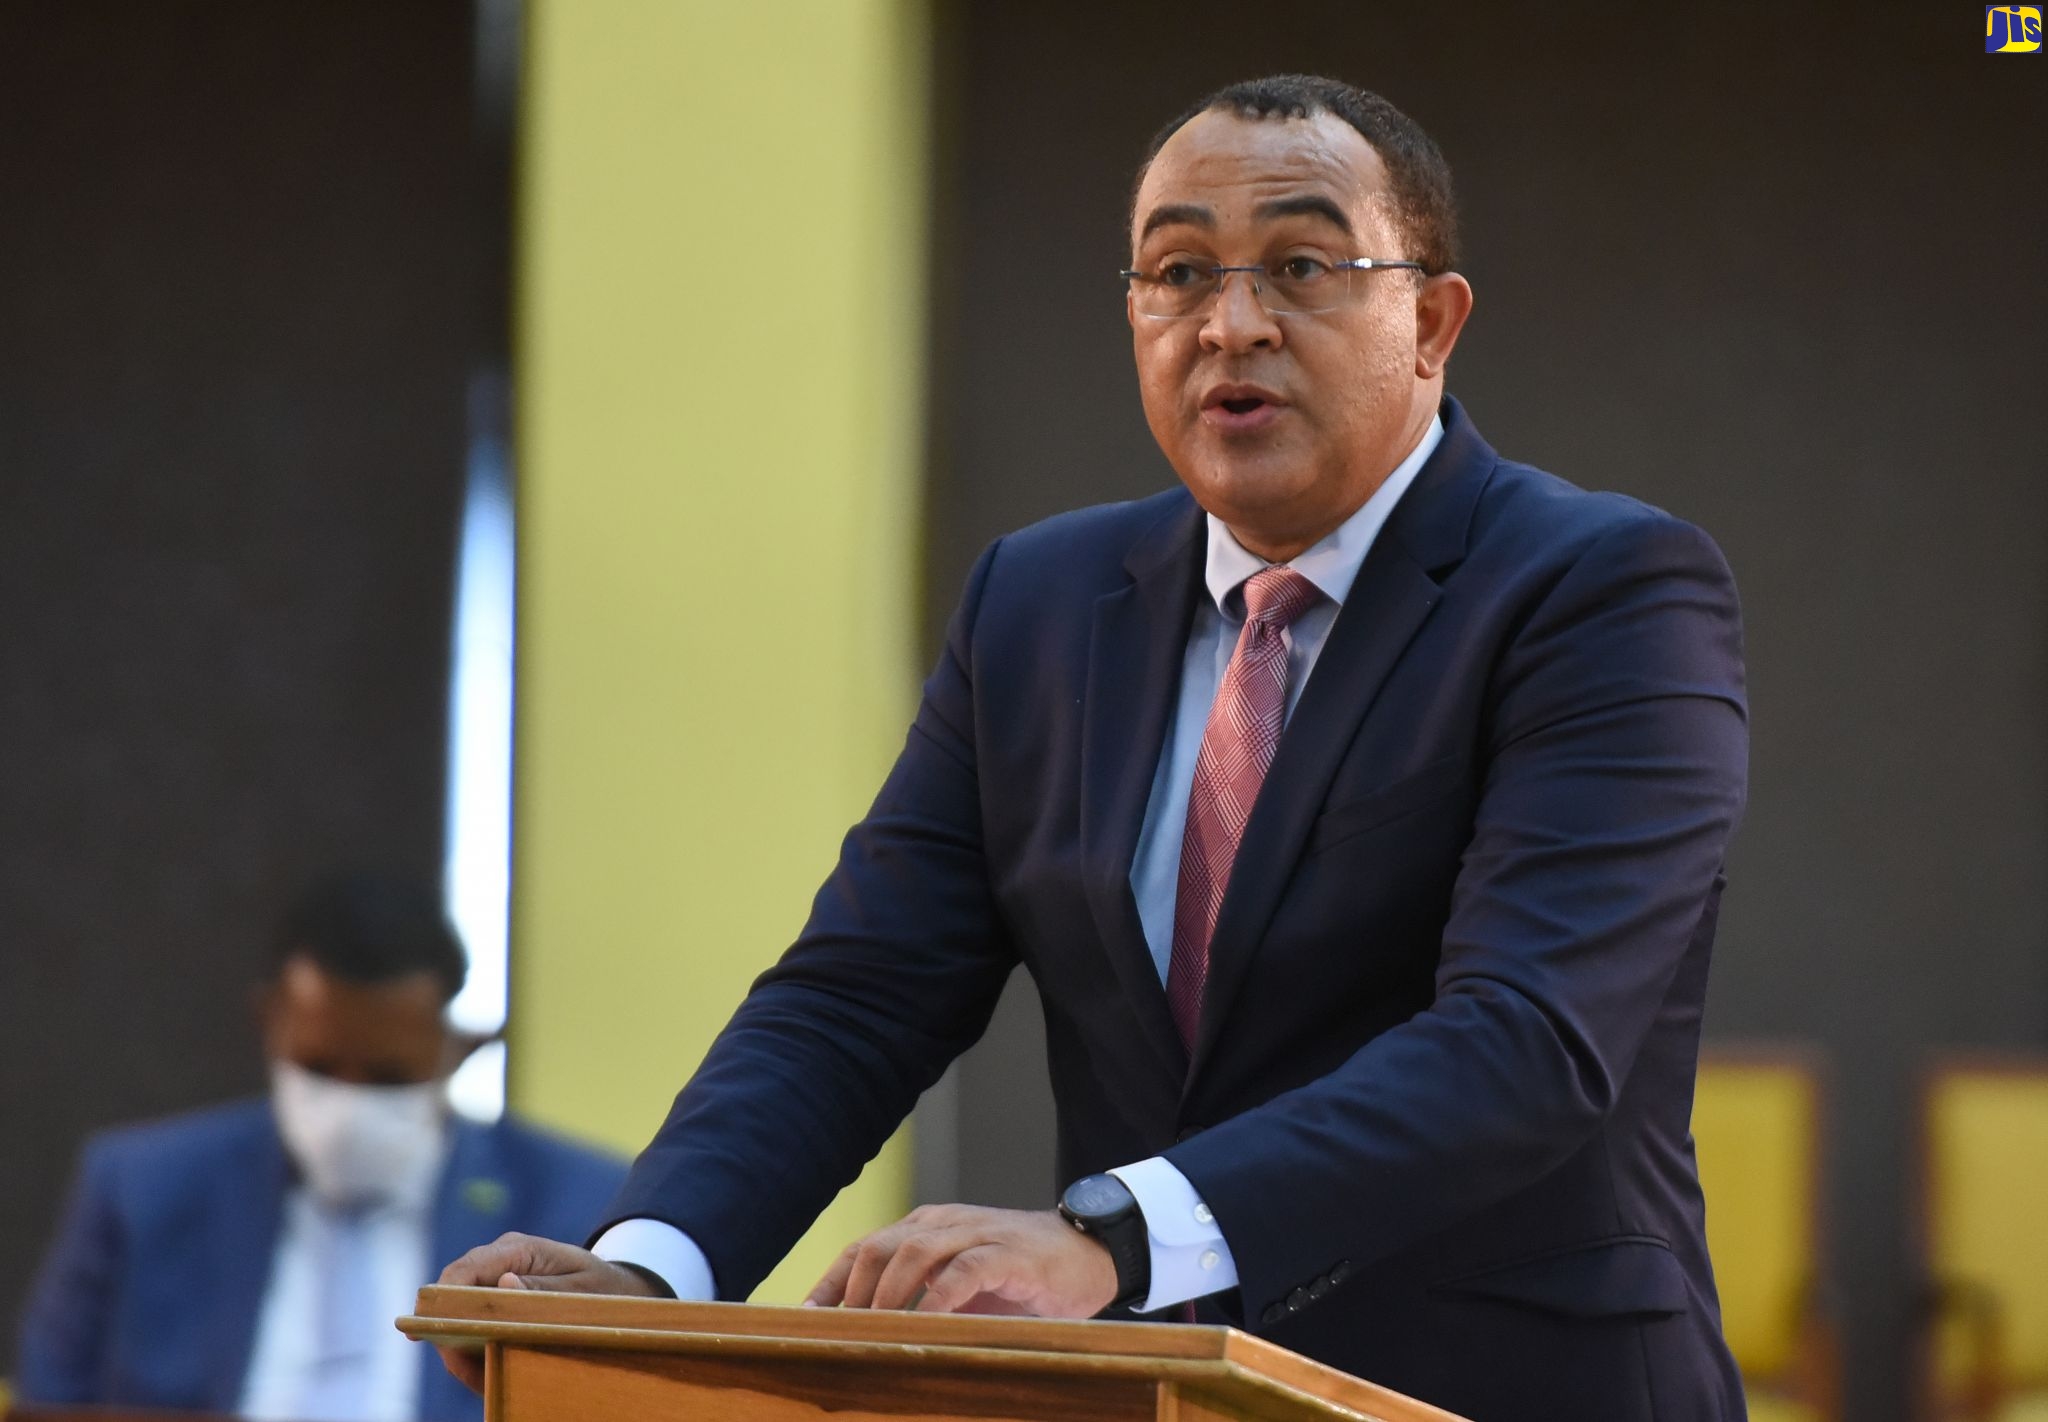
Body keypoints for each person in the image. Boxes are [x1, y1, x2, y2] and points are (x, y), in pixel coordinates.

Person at [440, 74, 1750, 1420]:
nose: (1231, 324)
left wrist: (1114, 1237)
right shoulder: (1041, 605)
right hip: (1156, 1398)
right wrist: (654, 1266)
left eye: (1299, 266)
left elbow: (1527, 1041)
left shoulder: (1605, 590)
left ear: (1431, 320)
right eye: (1178, 273)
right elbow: (861, 991)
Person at [17, 873, 627, 1422]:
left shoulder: (578, 1207)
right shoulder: (139, 1189)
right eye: (319, 1067)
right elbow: (46, 1406)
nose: (347, 1107)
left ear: (457, 1050)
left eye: (388, 1077)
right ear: (269, 1021)